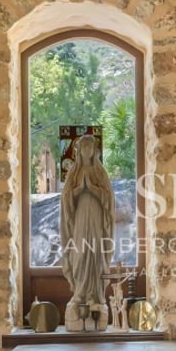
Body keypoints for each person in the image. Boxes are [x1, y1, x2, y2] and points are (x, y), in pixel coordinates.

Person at [60, 134, 115, 329]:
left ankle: (96, 296)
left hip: (97, 219)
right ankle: (80, 294)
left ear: (94, 151)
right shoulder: (74, 173)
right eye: (83, 148)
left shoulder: (100, 172)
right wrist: (77, 191)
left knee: (96, 253)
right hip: (80, 220)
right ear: (79, 152)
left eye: (90, 148)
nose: (87, 151)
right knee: (80, 254)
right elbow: (66, 199)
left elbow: (108, 198)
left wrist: (92, 188)